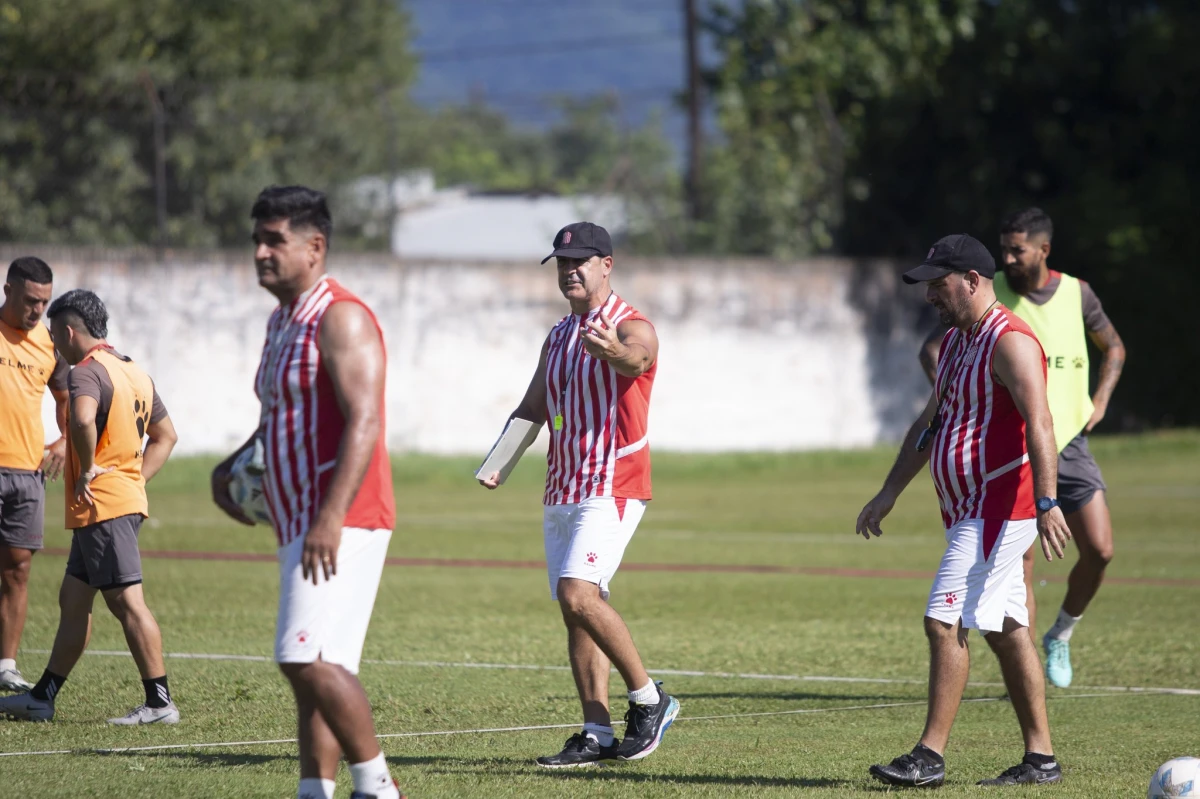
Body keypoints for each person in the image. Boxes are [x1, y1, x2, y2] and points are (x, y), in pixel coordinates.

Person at [857, 234, 1072, 787]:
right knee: (1004, 628)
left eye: (938, 283)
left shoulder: (1011, 341)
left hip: (998, 508)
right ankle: (1041, 759)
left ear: (972, 281)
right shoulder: (956, 343)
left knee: (942, 619)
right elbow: (928, 426)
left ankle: (929, 755)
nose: (930, 294)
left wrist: (1048, 501)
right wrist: (890, 491)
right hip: (967, 510)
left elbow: (1040, 424)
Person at [210, 186, 403, 799]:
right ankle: (313, 790)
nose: (261, 252)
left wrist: (330, 517)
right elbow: (278, 418)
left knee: (301, 657)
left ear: (315, 247)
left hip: (343, 518)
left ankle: (378, 788)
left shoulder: (340, 316)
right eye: (257, 240)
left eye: (275, 240)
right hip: (299, 519)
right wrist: (234, 467)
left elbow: (365, 419)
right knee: (319, 665)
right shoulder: (280, 321)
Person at [479, 222, 679, 768]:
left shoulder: (632, 325)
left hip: (612, 481)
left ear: (606, 264)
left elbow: (636, 359)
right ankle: (596, 732)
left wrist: (614, 350)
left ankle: (649, 700)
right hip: (563, 483)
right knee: (578, 613)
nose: (570, 270)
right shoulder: (559, 335)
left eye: (582, 261)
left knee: (577, 594)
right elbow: (532, 406)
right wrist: (498, 463)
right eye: (563, 263)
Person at [918, 208, 1124, 688]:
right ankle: (1029, 707)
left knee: (1099, 549)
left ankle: (1061, 634)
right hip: (1008, 452)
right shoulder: (988, 295)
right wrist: (962, 401)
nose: (1009, 258)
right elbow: (937, 350)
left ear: (1044, 249)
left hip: (1065, 440)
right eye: (1004, 248)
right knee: (1018, 572)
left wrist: (1101, 399)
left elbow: (1112, 347)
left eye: (1018, 249)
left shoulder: (1077, 292)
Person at [0, 289, 180, 724]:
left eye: (53, 333)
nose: (52, 342)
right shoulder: (132, 370)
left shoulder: (85, 372)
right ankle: (42, 696)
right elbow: (166, 436)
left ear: (67, 331)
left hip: (103, 505)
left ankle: (159, 703)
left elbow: (81, 418)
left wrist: (89, 470)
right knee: (73, 599)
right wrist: (133, 479)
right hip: (116, 501)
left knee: (127, 603)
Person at [0, 257, 70, 692]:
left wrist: (63, 441)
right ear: (7, 289)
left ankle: (5, 664)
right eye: (29, 301)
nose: (37, 311)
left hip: (27, 473)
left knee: (17, 570)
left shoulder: (48, 344)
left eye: (43, 302)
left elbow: (66, 397)